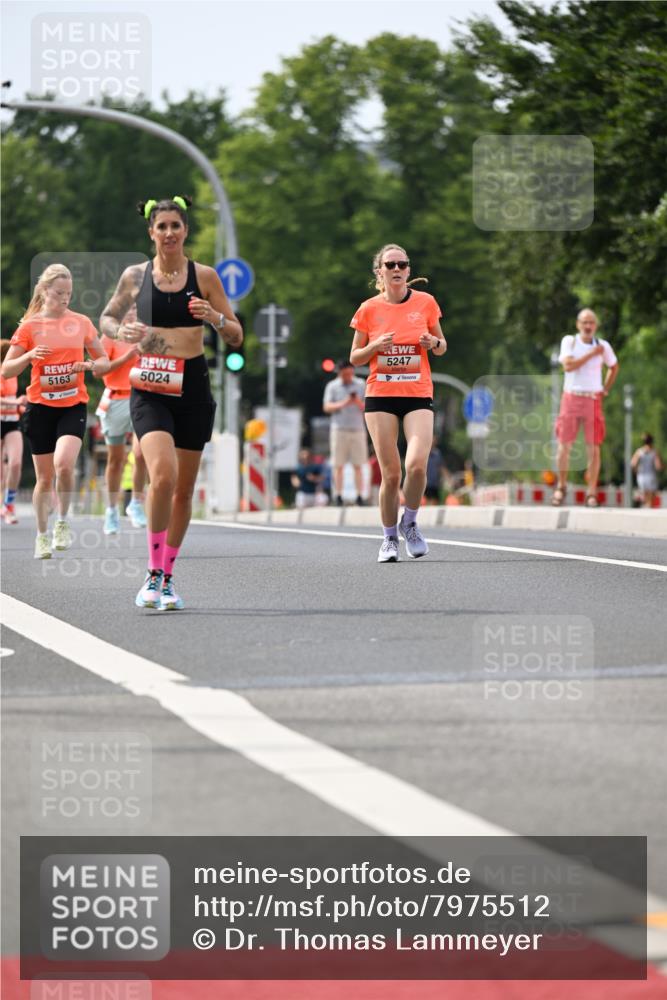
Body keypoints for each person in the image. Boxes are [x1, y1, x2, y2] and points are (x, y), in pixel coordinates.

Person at [100, 196, 243, 609]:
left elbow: (236, 335)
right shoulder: (134, 276)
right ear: (151, 232)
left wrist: (212, 317)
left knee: (183, 491)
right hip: (148, 388)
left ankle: (167, 576)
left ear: (185, 231)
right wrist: (120, 331)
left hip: (193, 387)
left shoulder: (206, 277)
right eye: (161, 227)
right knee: (161, 476)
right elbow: (107, 317)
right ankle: (151, 572)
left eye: (175, 226)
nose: (168, 233)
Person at [1, 263, 110, 558]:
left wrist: (89, 365)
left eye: (69, 293)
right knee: (44, 478)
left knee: (64, 464)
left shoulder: (82, 323)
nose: (65, 298)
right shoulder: (29, 327)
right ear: (45, 290)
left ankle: (62, 521)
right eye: (60, 293)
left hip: (72, 404)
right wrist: (29, 355)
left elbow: (104, 362)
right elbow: (6, 367)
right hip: (39, 408)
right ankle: (41, 534)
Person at [349, 243, 447, 562]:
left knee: (417, 465)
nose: (396, 269)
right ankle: (389, 538)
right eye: (389, 265)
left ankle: (411, 522)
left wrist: (433, 343)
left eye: (401, 264)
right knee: (391, 474)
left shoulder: (426, 303)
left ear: (408, 270)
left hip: (418, 393)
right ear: (380, 271)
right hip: (381, 395)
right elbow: (355, 357)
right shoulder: (368, 309)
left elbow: (442, 346)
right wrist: (376, 345)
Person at [553, 308, 619, 507]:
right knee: (564, 446)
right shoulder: (570, 342)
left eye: (591, 323)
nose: (588, 326)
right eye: (584, 322)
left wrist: (605, 389)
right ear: (578, 324)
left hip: (593, 398)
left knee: (594, 448)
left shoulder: (603, 346)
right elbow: (568, 366)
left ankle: (591, 492)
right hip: (572, 397)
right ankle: (561, 486)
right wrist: (591, 354)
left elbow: (614, 366)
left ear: (596, 326)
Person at [95, 303, 148, 534]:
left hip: (142, 397)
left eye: (135, 307)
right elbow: (98, 370)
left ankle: (136, 503)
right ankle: (111, 511)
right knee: (116, 460)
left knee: (141, 453)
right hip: (115, 400)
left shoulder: (147, 333)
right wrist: (127, 356)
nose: (132, 312)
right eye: (127, 308)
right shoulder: (110, 336)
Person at [322, 359, 368, 506]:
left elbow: (368, 406)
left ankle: (360, 495)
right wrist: (344, 402)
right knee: (338, 464)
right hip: (339, 429)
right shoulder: (332, 386)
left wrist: (357, 402)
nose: (347, 377)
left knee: (358, 464)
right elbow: (327, 407)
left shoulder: (361, 384)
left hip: (357, 429)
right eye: (344, 374)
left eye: (349, 374)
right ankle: (338, 495)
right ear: (340, 373)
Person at [0, 339, 27, 524]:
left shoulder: (14, 372)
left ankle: (8, 506)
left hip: (12, 421)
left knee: (15, 463)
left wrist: (22, 404)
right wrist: (15, 402)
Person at [632, 433, 662, 508]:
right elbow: (658, 466)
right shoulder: (654, 452)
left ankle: (643, 502)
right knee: (651, 495)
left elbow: (633, 463)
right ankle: (647, 507)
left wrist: (636, 471)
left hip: (641, 476)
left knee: (645, 493)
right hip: (651, 475)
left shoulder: (639, 451)